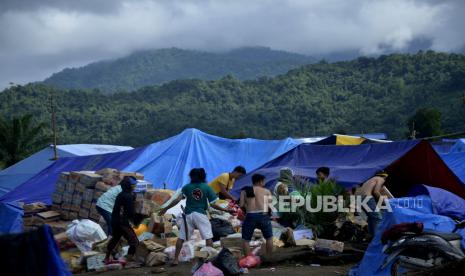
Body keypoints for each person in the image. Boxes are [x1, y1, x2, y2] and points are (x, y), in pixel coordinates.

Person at [159, 168, 233, 266]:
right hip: (200, 214)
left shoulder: (187, 187)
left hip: (188, 215)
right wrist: (225, 210)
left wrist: (165, 208)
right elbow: (213, 204)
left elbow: (177, 200)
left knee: (181, 238)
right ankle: (209, 260)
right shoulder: (206, 188)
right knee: (208, 237)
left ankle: (175, 259)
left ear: (191, 176)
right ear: (203, 176)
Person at [105, 176, 139, 263]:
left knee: (115, 238)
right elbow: (130, 212)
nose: (134, 187)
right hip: (122, 222)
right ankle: (128, 260)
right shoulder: (128, 196)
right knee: (134, 241)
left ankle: (107, 257)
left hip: (114, 221)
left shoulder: (121, 195)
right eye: (133, 186)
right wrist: (137, 220)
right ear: (129, 186)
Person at [240, 174, 273, 257]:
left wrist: (248, 209)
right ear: (260, 181)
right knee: (269, 238)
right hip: (263, 215)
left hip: (250, 215)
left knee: (246, 240)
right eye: (264, 181)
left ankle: (248, 259)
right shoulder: (266, 191)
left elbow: (241, 205)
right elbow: (270, 206)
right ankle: (269, 258)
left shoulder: (244, 191)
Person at [357, 171, 388, 237]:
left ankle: (371, 237)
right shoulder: (381, 179)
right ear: (384, 176)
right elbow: (376, 192)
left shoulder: (370, 180)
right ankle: (377, 239)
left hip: (359, 199)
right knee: (378, 218)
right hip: (367, 198)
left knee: (371, 218)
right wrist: (384, 202)